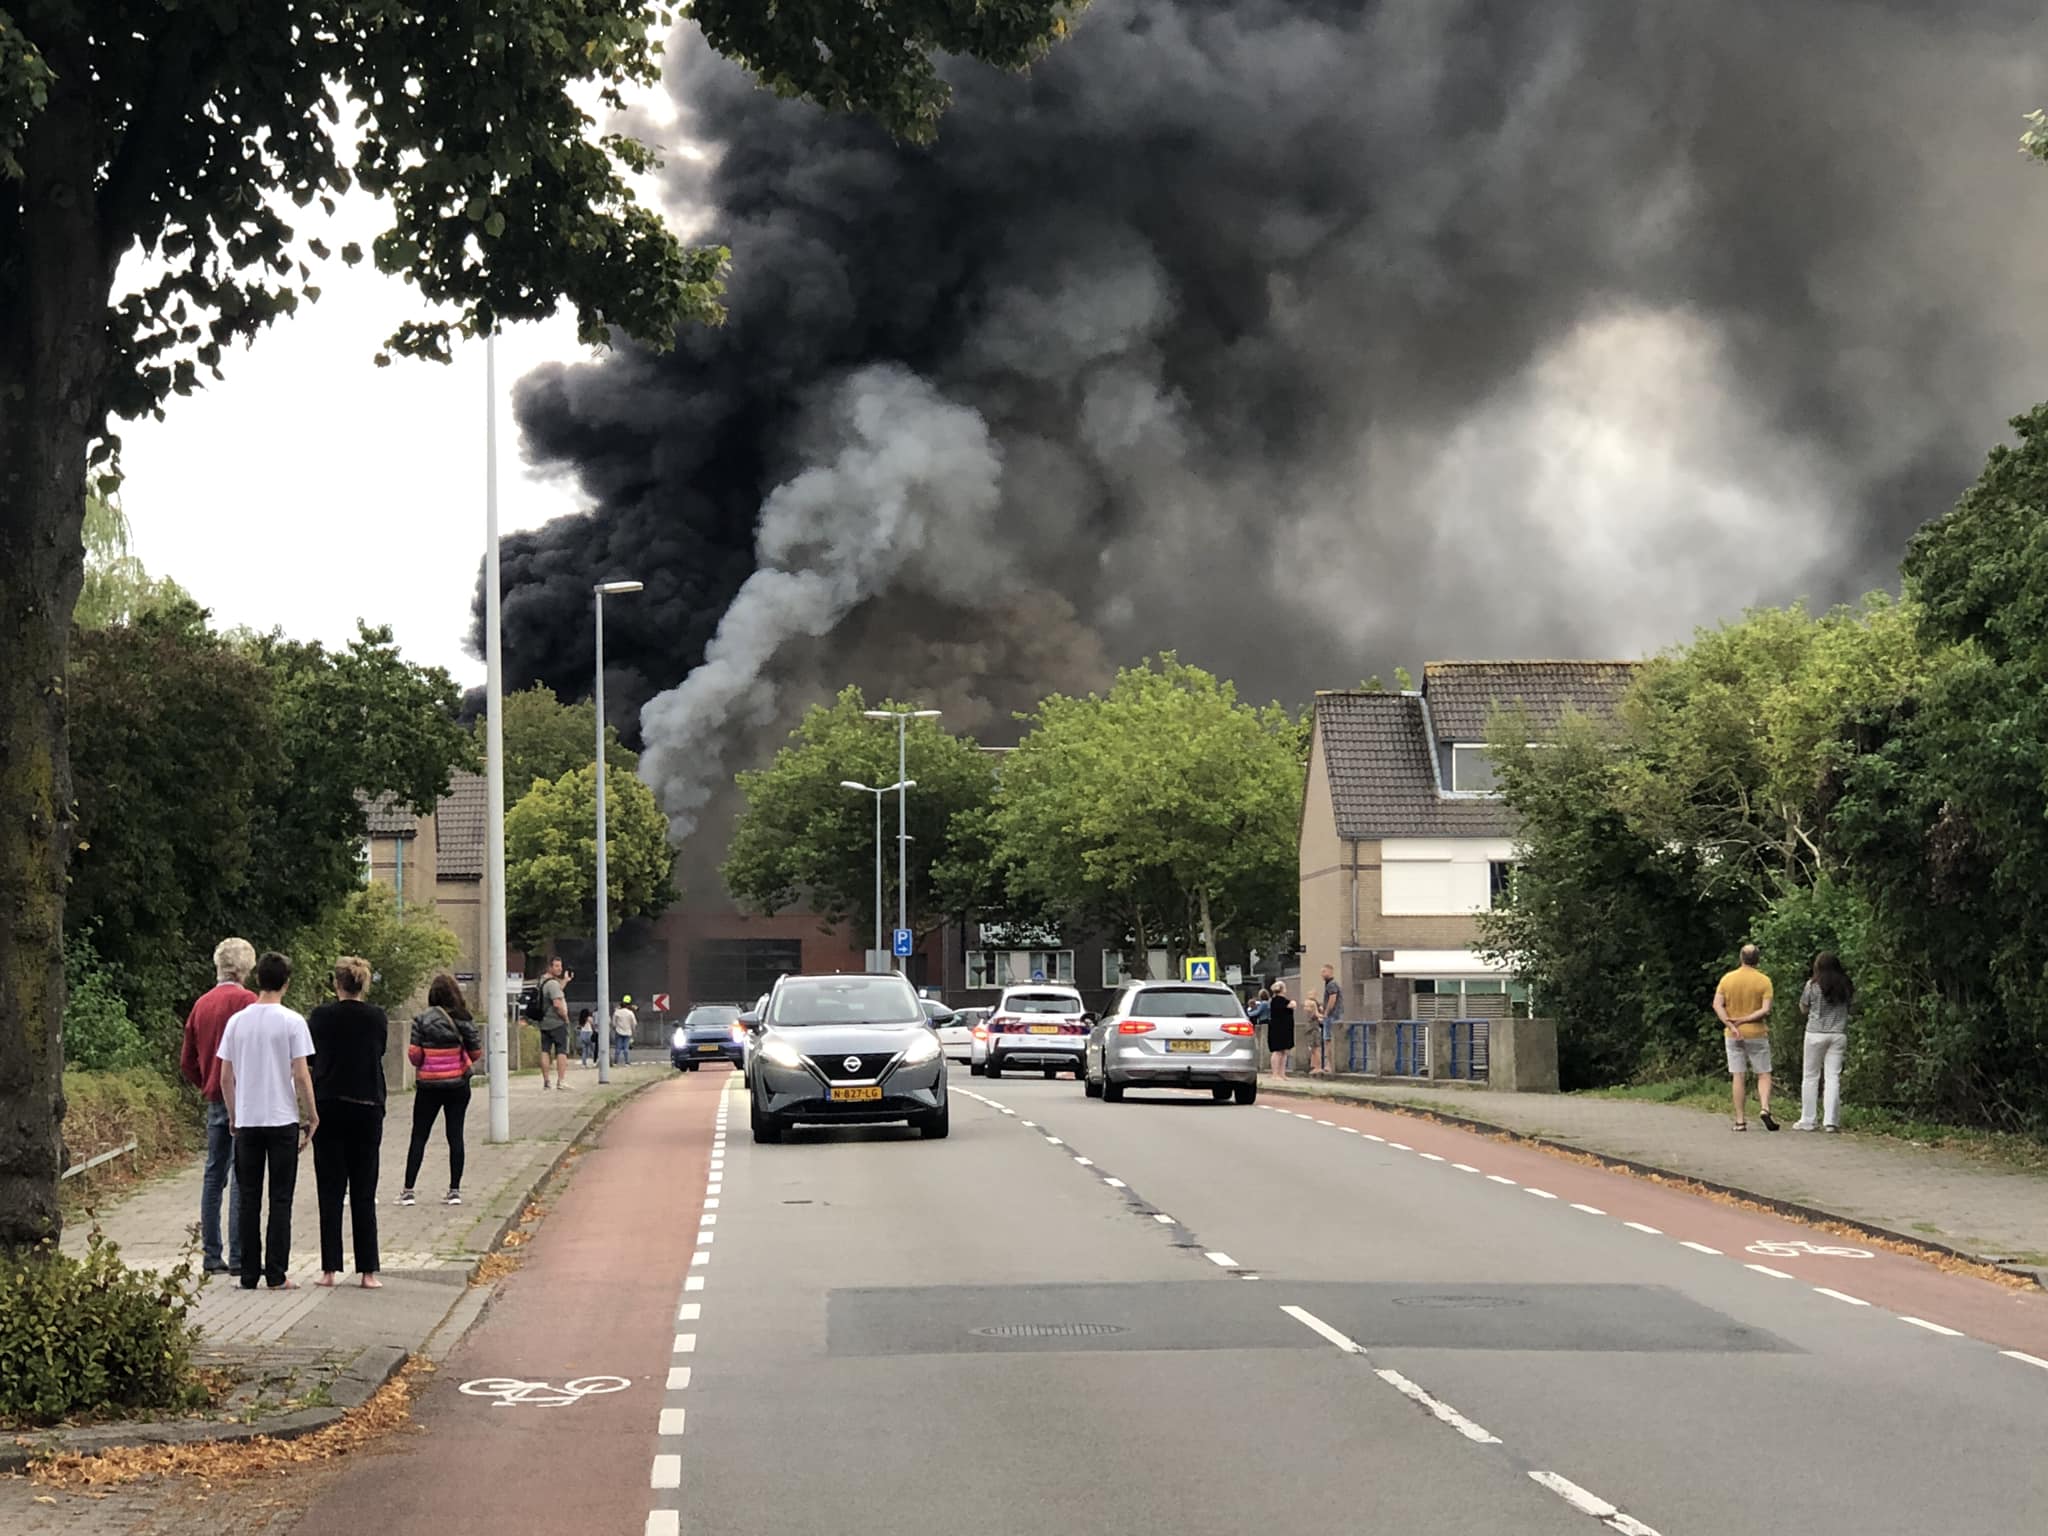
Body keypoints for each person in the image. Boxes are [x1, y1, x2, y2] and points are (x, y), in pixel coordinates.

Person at [216, 951, 317, 1290]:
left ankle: (247, 1272)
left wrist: (233, 1113)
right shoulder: (292, 1022)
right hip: (282, 1119)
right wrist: (312, 1114)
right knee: (280, 1199)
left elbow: (225, 1077)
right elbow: (301, 1075)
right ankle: (276, 1273)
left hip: (248, 1120)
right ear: (286, 983)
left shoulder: (237, 1022)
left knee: (248, 1197)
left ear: (257, 979)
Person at [308, 956, 387, 1288]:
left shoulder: (320, 1017)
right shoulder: (377, 1017)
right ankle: (368, 1271)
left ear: (335, 983)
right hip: (367, 1104)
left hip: (329, 1104)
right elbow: (380, 1051)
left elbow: (310, 1057)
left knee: (330, 1188)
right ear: (363, 984)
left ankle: (329, 1269)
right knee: (363, 1189)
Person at [179, 937, 255, 1275]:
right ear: (243, 969)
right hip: (245, 1096)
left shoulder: (202, 1004)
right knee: (242, 1175)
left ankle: (211, 1255)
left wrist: (207, 1083)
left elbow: (187, 1061)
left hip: (214, 1097)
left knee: (213, 1175)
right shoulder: (248, 1002)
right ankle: (240, 1256)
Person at [400, 973, 483, 1207]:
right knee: (455, 1136)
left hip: (428, 1086)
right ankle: (454, 1190)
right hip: (458, 1085)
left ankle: (408, 1191)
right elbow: (476, 1053)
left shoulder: (421, 1019)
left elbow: (414, 1056)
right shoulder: (464, 1019)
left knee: (419, 1136)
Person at [1713, 943, 1778, 1132]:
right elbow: (1765, 1009)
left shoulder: (1727, 979)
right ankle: (1765, 1108)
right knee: (1764, 1073)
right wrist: (1745, 1020)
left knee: (1738, 1075)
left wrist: (1731, 1024)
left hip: (1733, 1035)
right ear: (1757, 959)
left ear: (1741, 958)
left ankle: (1740, 1121)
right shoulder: (1764, 981)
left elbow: (1717, 1004)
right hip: (1757, 1033)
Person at [1795, 953, 1854, 1133]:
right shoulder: (1846, 985)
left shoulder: (1812, 985)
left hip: (1815, 1033)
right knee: (1832, 1077)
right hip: (1837, 1034)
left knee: (1810, 1076)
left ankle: (1808, 1119)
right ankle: (1831, 1121)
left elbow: (1804, 1007)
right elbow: (1851, 1006)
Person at [537, 955, 571, 1089]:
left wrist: (565, 981)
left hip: (544, 1022)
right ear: (550, 967)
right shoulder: (553, 983)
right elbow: (557, 1003)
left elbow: (555, 992)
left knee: (545, 1050)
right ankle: (561, 1081)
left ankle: (546, 1082)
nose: (560, 969)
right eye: (556, 966)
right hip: (557, 1023)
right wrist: (565, 1017)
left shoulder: (542, 981)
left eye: (560, 966)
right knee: (561, 1051)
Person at [1316, 963, 1345, 1077]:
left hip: (1332, 1016)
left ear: (1330, 972)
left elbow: (1332, 999)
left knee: (1328, 1040)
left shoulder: (1331, 985)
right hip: (1335, 1014)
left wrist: (1326, 1013)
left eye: (1324, 972)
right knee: (1330, 1040)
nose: (1322, 974)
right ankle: (1330, 1064)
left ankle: (1330, 1064)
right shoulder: (1331, 984)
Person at [1266, 979, 1296, 1079]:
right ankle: (1275, 1074)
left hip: (1285, 1028)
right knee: (1277, 1051)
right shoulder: (1277, 1001)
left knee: (1284, 1051)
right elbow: (1291, 1005)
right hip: (1278, 1029)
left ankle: (1282, 1073)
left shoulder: (1280, 1001)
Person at [612, 994, 638, 1066]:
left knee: (618, 1047)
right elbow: (634, 1024)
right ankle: (627, 1062)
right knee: (626, 1048)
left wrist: (615, 1028)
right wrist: (633, 1031)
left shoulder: (617, 1012)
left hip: (618, 1031)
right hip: (628, 1032)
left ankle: (615, 1062)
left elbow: (614, 1023)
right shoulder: (630, 1013)